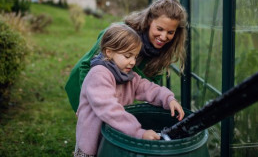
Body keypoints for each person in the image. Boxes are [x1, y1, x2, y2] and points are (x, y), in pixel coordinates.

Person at [74, 24, 185, 156]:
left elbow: (147, 87)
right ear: (109, 52)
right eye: (127, 56)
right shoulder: (99, 75)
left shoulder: (127, 75)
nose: (132, 62)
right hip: (92, 138)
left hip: (112, 136)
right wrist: (139, 132)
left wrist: (168, 99)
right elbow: (110, 110)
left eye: (135, 57)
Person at [65, 0, 188, 113]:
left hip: (112, 93)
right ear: (149, 21)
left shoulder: (164, 52)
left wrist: (166, 98)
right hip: (84, 83)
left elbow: (150, 85)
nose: (163, 37)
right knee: (89, 126)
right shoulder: (120, 34)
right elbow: (87, 65)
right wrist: (84, 104)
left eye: (170, 32)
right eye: (160, 29)